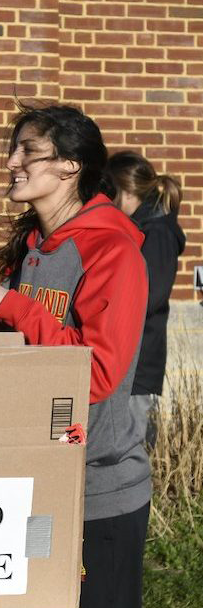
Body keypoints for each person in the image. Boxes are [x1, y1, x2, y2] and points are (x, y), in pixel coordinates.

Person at [0, 104, 149, 608]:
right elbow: (31, 354)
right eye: (13, 149)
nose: (12, 161)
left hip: (98, 492)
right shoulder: (36, 246)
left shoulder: (113, 250)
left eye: (28, 151)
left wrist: (12, 306)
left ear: (70, 167)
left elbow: (97, 375)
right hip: (33, 477)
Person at [105, 151, 185, 448]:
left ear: (124, 191)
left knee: (131, 450)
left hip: (140, 365)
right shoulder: (139, 229)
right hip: (126, 359)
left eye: (107, 191)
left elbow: (150, 296)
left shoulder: (158, 233)